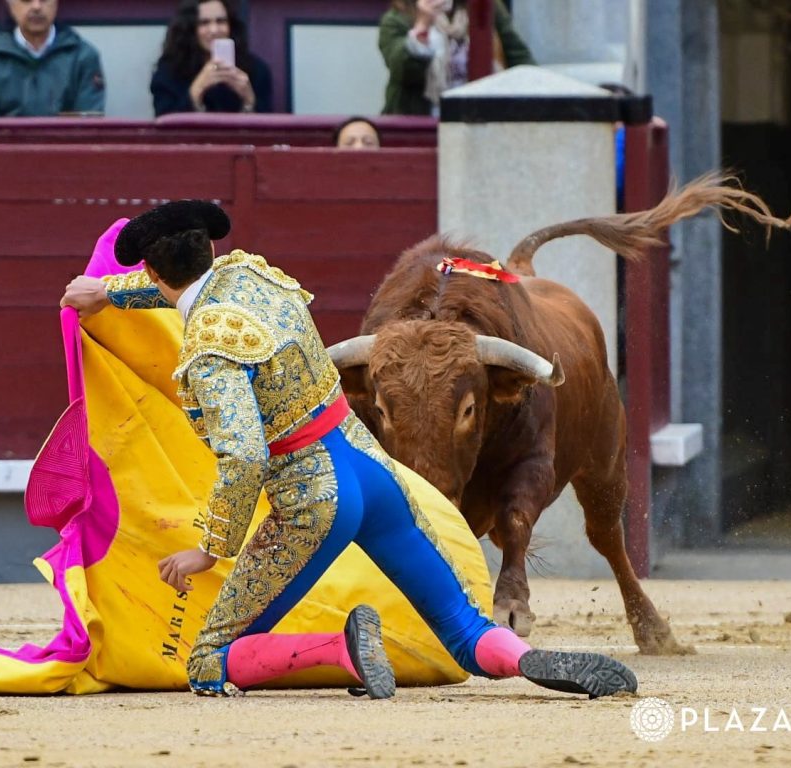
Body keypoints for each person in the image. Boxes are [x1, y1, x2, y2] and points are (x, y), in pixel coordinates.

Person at [59, 200, 639, 700]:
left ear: (157, 272)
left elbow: (243, 455)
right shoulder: (256, 277)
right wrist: (110, 293)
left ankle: (341, 649)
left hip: (315, 499)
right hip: (373, 474)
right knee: (462, 628)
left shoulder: (209, 350)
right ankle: (519, 659)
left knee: (207, 660)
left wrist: (210, 550)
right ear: (210, 252)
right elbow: (185, 290)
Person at [379, 0, 534, 116]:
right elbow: (402, 70)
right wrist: (422, 25)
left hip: (483, 116)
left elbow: (520, 60)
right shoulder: (396, 19)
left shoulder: (485, 7)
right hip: (423, 121)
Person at [0, 0, 105, 117]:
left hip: (66, 149)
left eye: (44, 0)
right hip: (5, 149)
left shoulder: (83, 57)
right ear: (10, 4)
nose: (36, 6)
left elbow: (88, 129)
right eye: (26, 0)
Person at [151, 0, 273, 115]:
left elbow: (269, 131)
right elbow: (165, 127)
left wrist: (249, 100)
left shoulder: (256, 69)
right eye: (204, 23)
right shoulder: (169, 71)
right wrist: (195, 92)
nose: (214, 30)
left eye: (221, 21)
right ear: (190, 28)